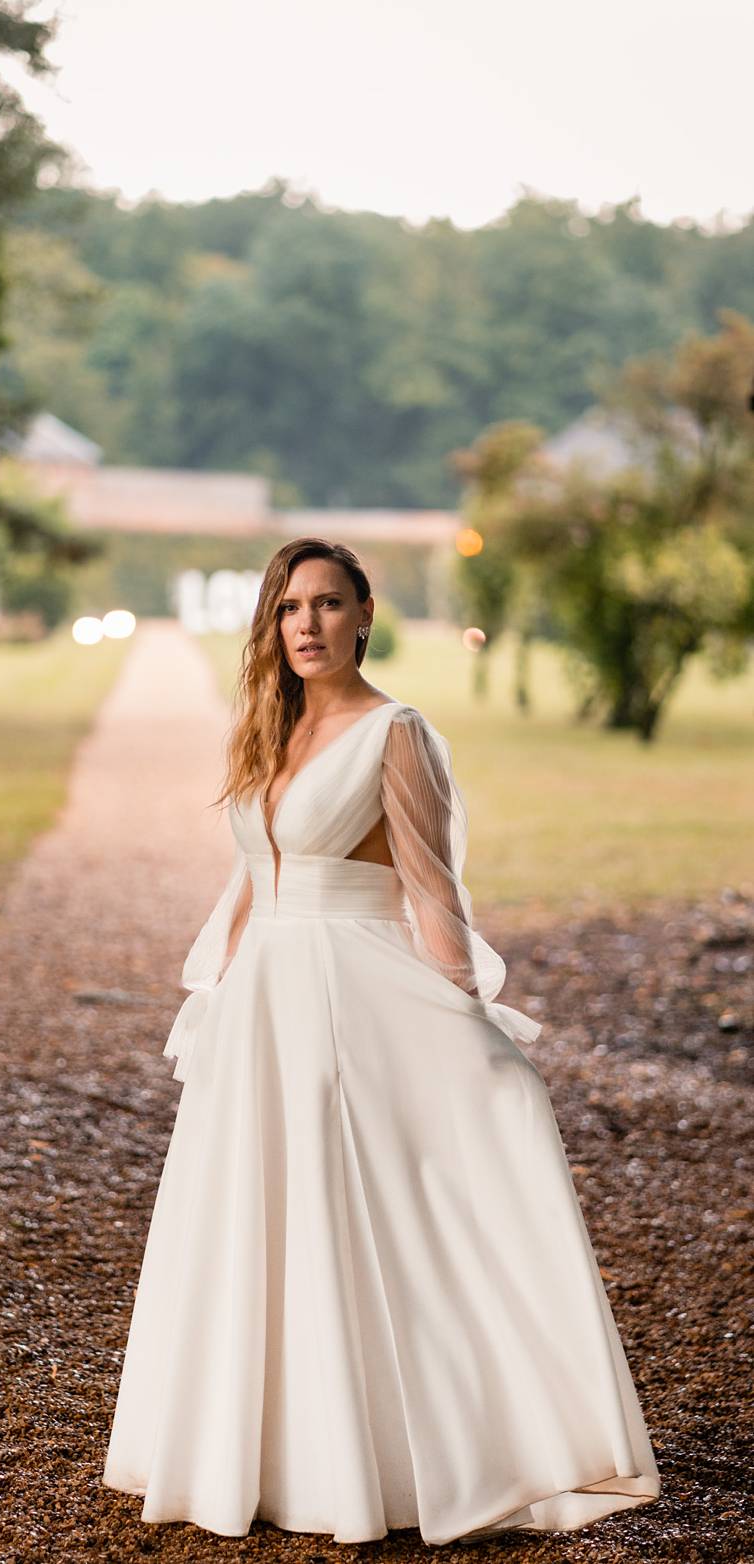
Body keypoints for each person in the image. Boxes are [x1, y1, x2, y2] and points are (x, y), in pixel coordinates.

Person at [102, 537, 661, 1546]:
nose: (305, 625)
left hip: (344, 1000)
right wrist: (215, 993)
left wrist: (465, 1015)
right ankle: (266, 1459)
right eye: (287, 608)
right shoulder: (266, 733)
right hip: (261, 1007)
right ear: (271, 625)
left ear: (364, 612)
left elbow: (430, 890)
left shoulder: (396, 732)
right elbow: (252, 880)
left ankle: (395, 1462)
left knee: (351, 1218)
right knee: (254, 1222)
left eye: (325, 604)